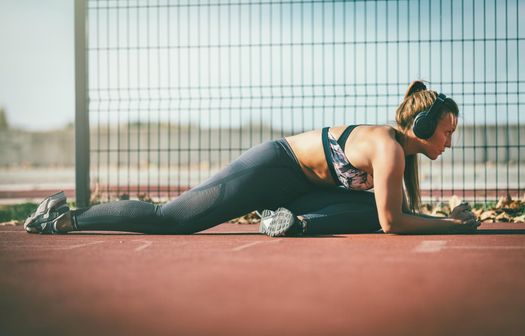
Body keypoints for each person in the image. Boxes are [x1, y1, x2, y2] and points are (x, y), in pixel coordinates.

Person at [24, 80, 480, 236]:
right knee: (172, 220)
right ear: (423, 127)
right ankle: (65, 217)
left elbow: (391, 213)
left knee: (375, 208)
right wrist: (455, 225)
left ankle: (290, 222)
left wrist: (438, 217)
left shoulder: (398, 154)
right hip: (274, 167)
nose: (449, 141)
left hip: (298, 192)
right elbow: (393, 224)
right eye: (448, 131)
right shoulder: (387, 147)